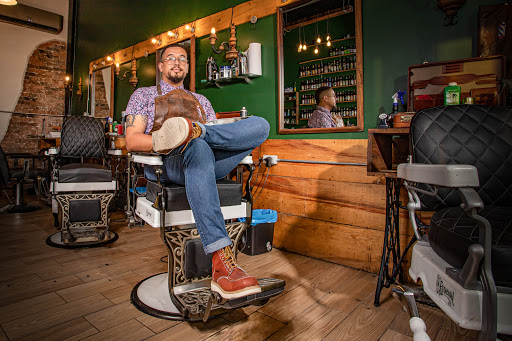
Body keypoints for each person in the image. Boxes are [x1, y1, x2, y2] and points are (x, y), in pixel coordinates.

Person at [124, 44, 270, 299]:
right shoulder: (143, 95)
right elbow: (132, 141)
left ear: (188, 67)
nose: (177, 62)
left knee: (260, 125)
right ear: (160, 66)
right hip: (170, 164)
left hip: (206, 158)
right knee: (199, 148)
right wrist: (169, 140)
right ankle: (222, 263)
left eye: (183, 59)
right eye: (171, 58)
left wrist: (201, 133)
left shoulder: (201, 101)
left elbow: (222, 141)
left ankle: (196, 131)